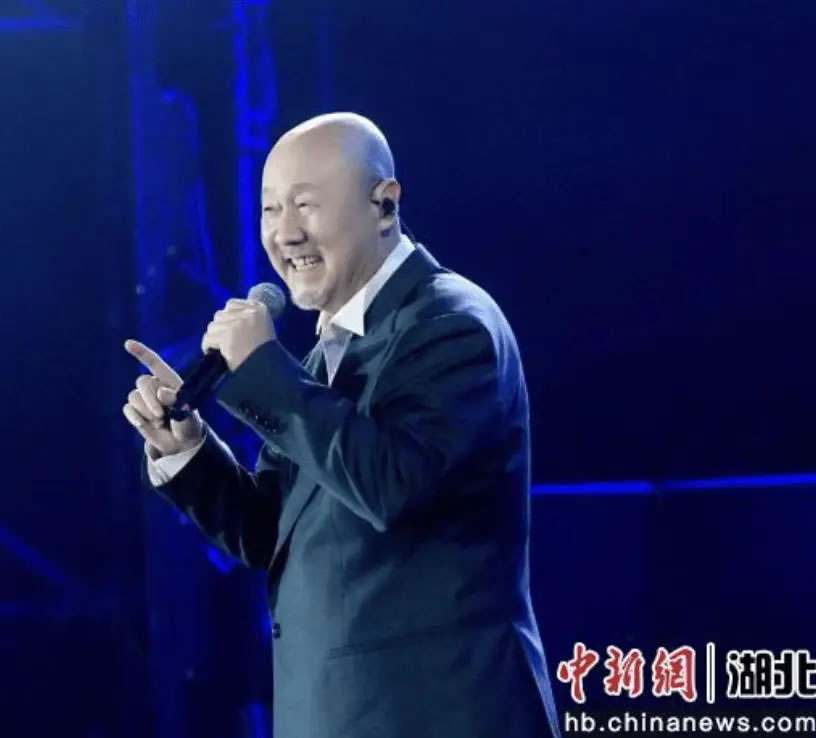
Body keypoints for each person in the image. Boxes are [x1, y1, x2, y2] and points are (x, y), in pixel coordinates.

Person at [122, 112, 561, 738]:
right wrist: (190, 452)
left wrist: (264, 369)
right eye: (271, 209)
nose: (286, 233)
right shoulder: (328, 357)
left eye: (306, 204)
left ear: (384, 204)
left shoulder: (449, 324)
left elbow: (393, 484)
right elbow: (276, 533)